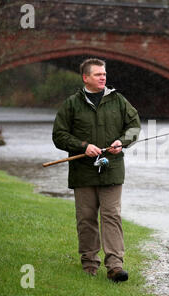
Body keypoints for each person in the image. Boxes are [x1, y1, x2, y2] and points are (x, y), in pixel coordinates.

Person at [52, 58, 141, 282]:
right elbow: (59, 135)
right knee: (86, 218)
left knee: (111, 215)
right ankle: (89, 264)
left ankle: (115, 266)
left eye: (104, 74)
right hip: (82, 172)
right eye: (98, 74)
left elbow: (134, 127)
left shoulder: (119, 100)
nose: (103, 77)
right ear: (85, 78)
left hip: (112, 170)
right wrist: (83, 146)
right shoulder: (72, 104)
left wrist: (122, 142)